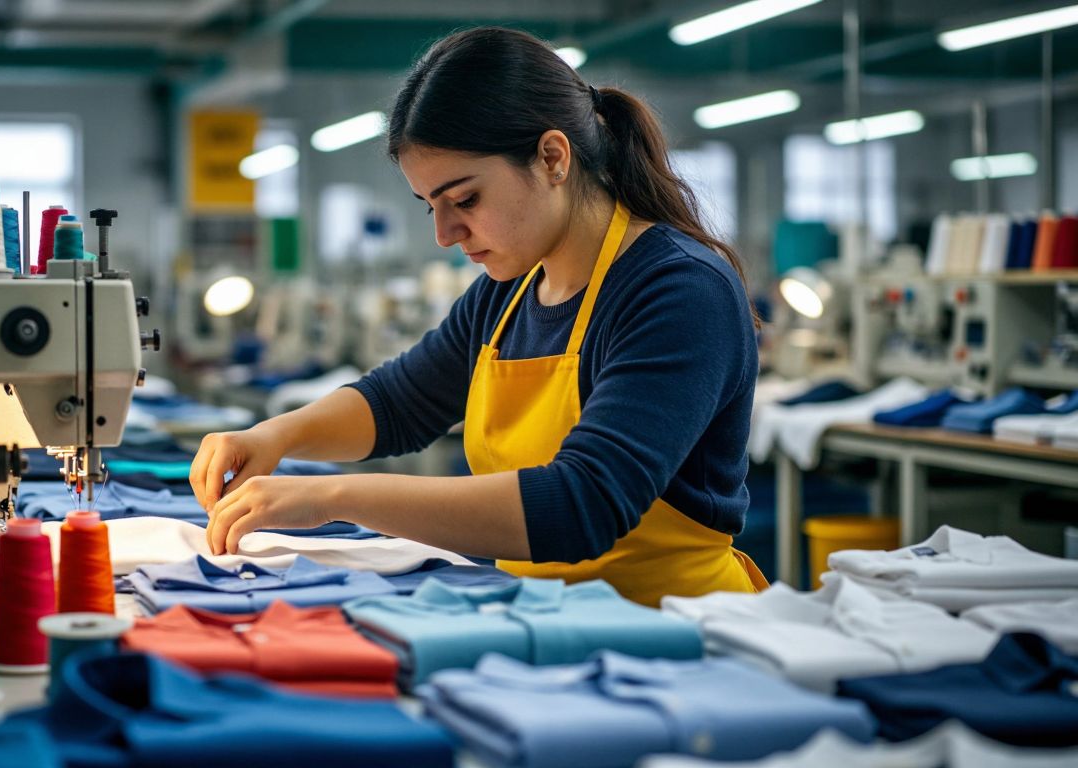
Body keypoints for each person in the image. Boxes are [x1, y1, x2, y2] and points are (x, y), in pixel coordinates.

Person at [190, 26, 766, 606]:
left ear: (552, 157)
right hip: (544, 620)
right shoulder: (509, 290)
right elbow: (400, 404)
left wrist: (332, 497)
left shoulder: (680, 290)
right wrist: (272, 435)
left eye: (465, 200)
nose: (444, 235)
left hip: (679, 637)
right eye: (432, 207)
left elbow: (583, 504)